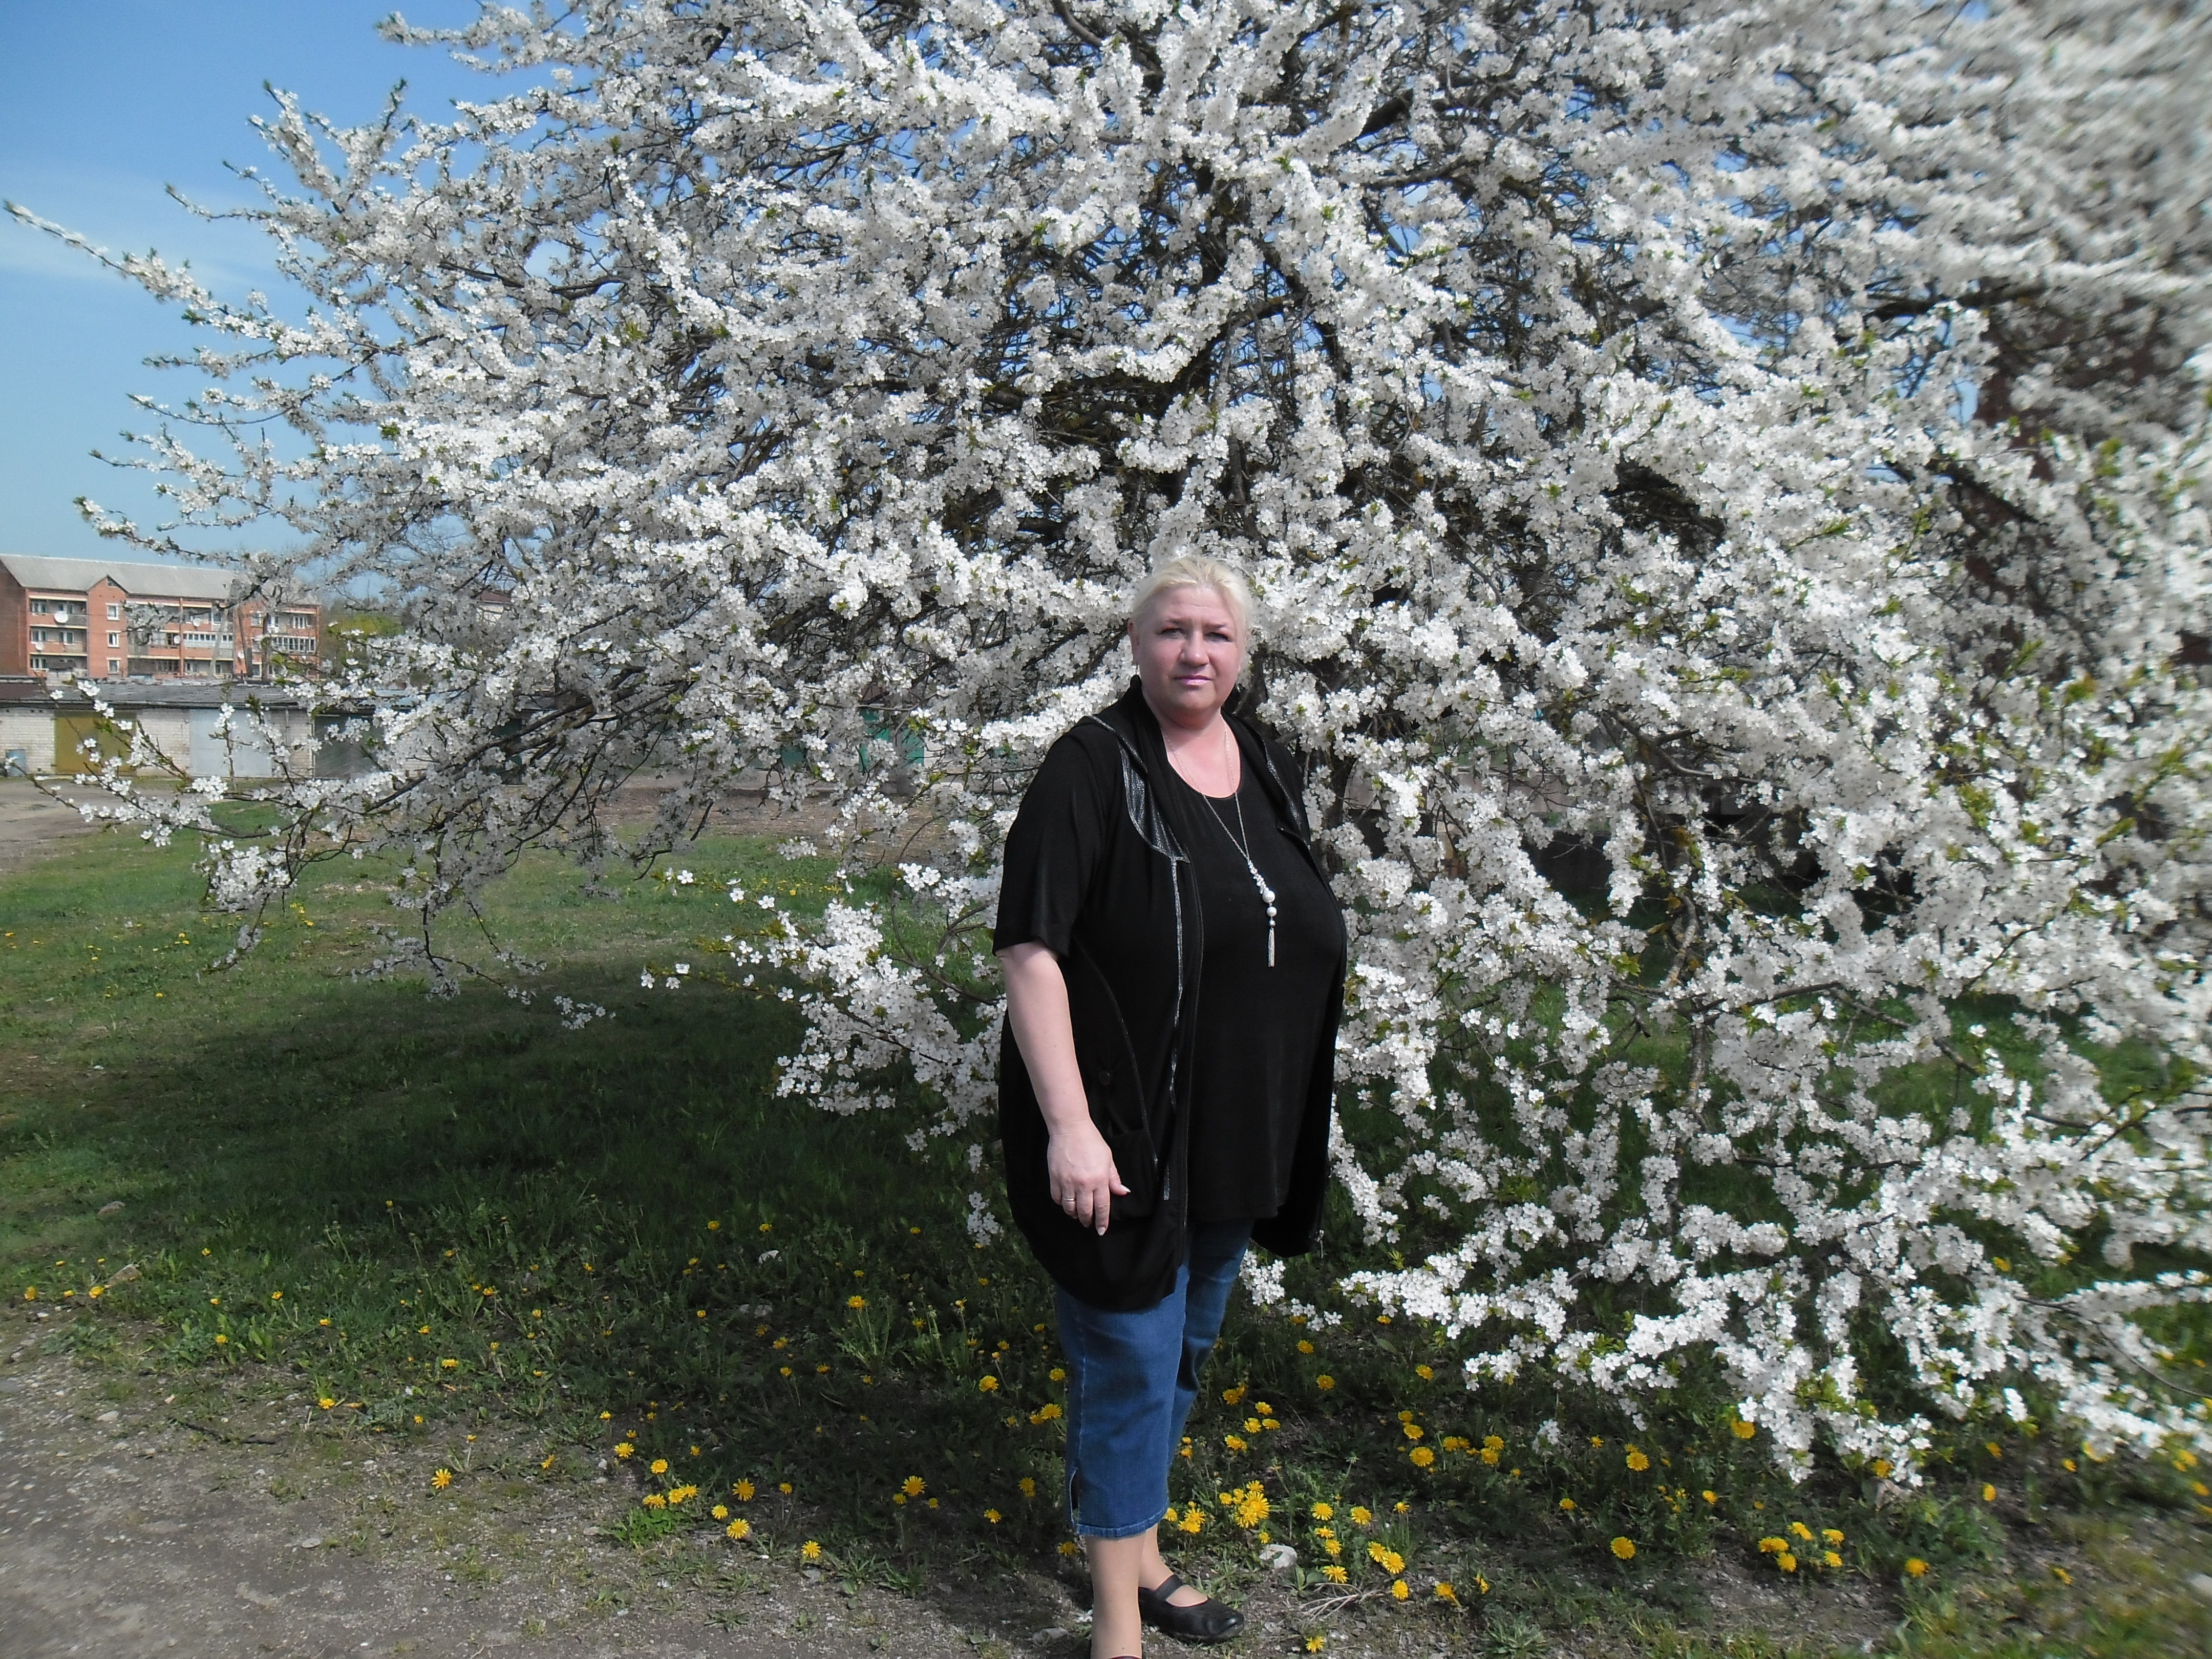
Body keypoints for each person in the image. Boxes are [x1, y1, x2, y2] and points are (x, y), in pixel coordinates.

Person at [994, 556, 1348, 1659]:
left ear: (1244, 653)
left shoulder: (1266, 760)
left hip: (1239, 1126)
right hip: (1126, 1129)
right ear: (1136, 645)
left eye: (1218, 635)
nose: (1196, 653)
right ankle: (1117, 1629)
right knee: (1130, 1360)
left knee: (1184, 1351)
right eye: (1173, 631)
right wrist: (1071, 1127)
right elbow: (1031, 951)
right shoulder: (1090, 769)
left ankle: (1139, 1554)